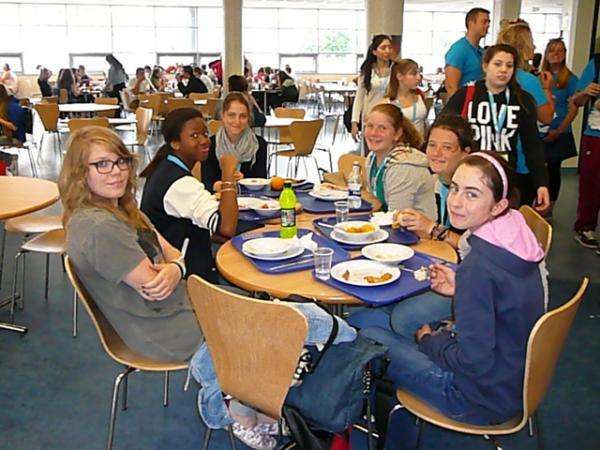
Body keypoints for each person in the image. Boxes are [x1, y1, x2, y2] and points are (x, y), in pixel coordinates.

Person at [359, 153, 546, 450]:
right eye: (455, 188)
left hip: (473, 397)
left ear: (498, 205)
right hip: (512, 381)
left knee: (365, 334)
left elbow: (473, 361)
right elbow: (501, 300)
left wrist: (429, 341)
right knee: (383, 324)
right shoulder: (516, 240)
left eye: (472, 194)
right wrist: (463, 292)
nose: (456, 202)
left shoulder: (478, 267)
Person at [59, 126, 202, 362]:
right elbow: (156, 287)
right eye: (102, 164)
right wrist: (177, 266)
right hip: (164, 330)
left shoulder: (123, 208)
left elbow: (170, 250)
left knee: (255, 310)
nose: (116, 171)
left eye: (121, 161)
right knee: (258, 324)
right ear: (81, 174)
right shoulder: (99, 227)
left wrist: (176, 268)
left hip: (178, 306)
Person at [442, 44, 550, 210]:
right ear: (485, 66)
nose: (503, 70)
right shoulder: (466, 95)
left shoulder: (523, 100)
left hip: (505, 176)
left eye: (509, 65)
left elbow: (533, 145)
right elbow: (442, 130)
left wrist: (541, 183)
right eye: (497, 64)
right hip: (470, 173)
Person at [140, 108, 238, 282]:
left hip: (178, 259)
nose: (204, 140)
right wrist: (228, 174)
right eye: (194, 136)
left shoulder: (165, 166)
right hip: (187, 278)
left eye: (205, 134)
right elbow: (226, 227)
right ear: (175, 143)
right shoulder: (179, 184)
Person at [395, 114, 473, 249]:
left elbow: (472, 247)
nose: (436, 153)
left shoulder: (473, 193)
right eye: (432, 145)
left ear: (465, 153)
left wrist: (431, 227)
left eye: (447, 147)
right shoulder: (435, 181)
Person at [363, 103, 435, 216]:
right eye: (370, 126)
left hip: (410, 226)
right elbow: (374, 204)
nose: (373, 133)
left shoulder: (403, 168)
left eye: (382, 128)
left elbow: (396, 218)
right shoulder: (371, 158)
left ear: (397, 134)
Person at [539, 38, 579, 218]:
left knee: (553, 170)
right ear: (546, 54)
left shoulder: (570, 79)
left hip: (559, 132)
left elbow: (573, 109)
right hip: (539, 131)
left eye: (560, 50)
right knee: (537, 169)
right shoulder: (538, 77)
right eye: (552, 50)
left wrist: (559, 130)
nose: (556, 54)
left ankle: (549, 207)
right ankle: (537, 203)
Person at [203, 93, 267, 193]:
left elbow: (262, 181)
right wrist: (215, 186)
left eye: (243, 116)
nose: (237, 121)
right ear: (223, 116)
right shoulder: (210, 144)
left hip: (250, 199)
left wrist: (244, 180)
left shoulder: (259, 144)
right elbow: (205, 183)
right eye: (231, 115)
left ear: (248, 118)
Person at [496, 21, 554, 125]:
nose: (534, 47)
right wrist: (546, 89)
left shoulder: (491, 76)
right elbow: (547, 118)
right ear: (523, 47)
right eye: (531, 42)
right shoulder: (528, 81)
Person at [571, 55, 600, 252]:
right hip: (597, 134)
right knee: (592, 183)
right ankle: (585, 227)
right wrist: (586, 93)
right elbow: (577, 100)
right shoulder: (596, 64)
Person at [351, 34, 394, 146]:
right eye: (383, 48)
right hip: (370, 116)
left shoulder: (395, 69)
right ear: (374, 51)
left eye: (389, 47)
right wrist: (354, 122)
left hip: (390, 117)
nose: (387, 51)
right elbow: (359, 97)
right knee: (370, 149)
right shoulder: (368, 70)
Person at [444, 7, 490, 97]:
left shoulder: (481, 52)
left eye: (489, 22)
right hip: (464, 102)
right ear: (471, 23)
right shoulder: (459, 50)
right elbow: (451, 87)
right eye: (484, 21)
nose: (488, 25)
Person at [384, 59, 429, 137]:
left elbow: (425, 123)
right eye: (413, 74)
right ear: (399, 76)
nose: (419, 77)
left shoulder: (420, 96)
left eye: (419, 73)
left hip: (420, 142)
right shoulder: (387, 104)